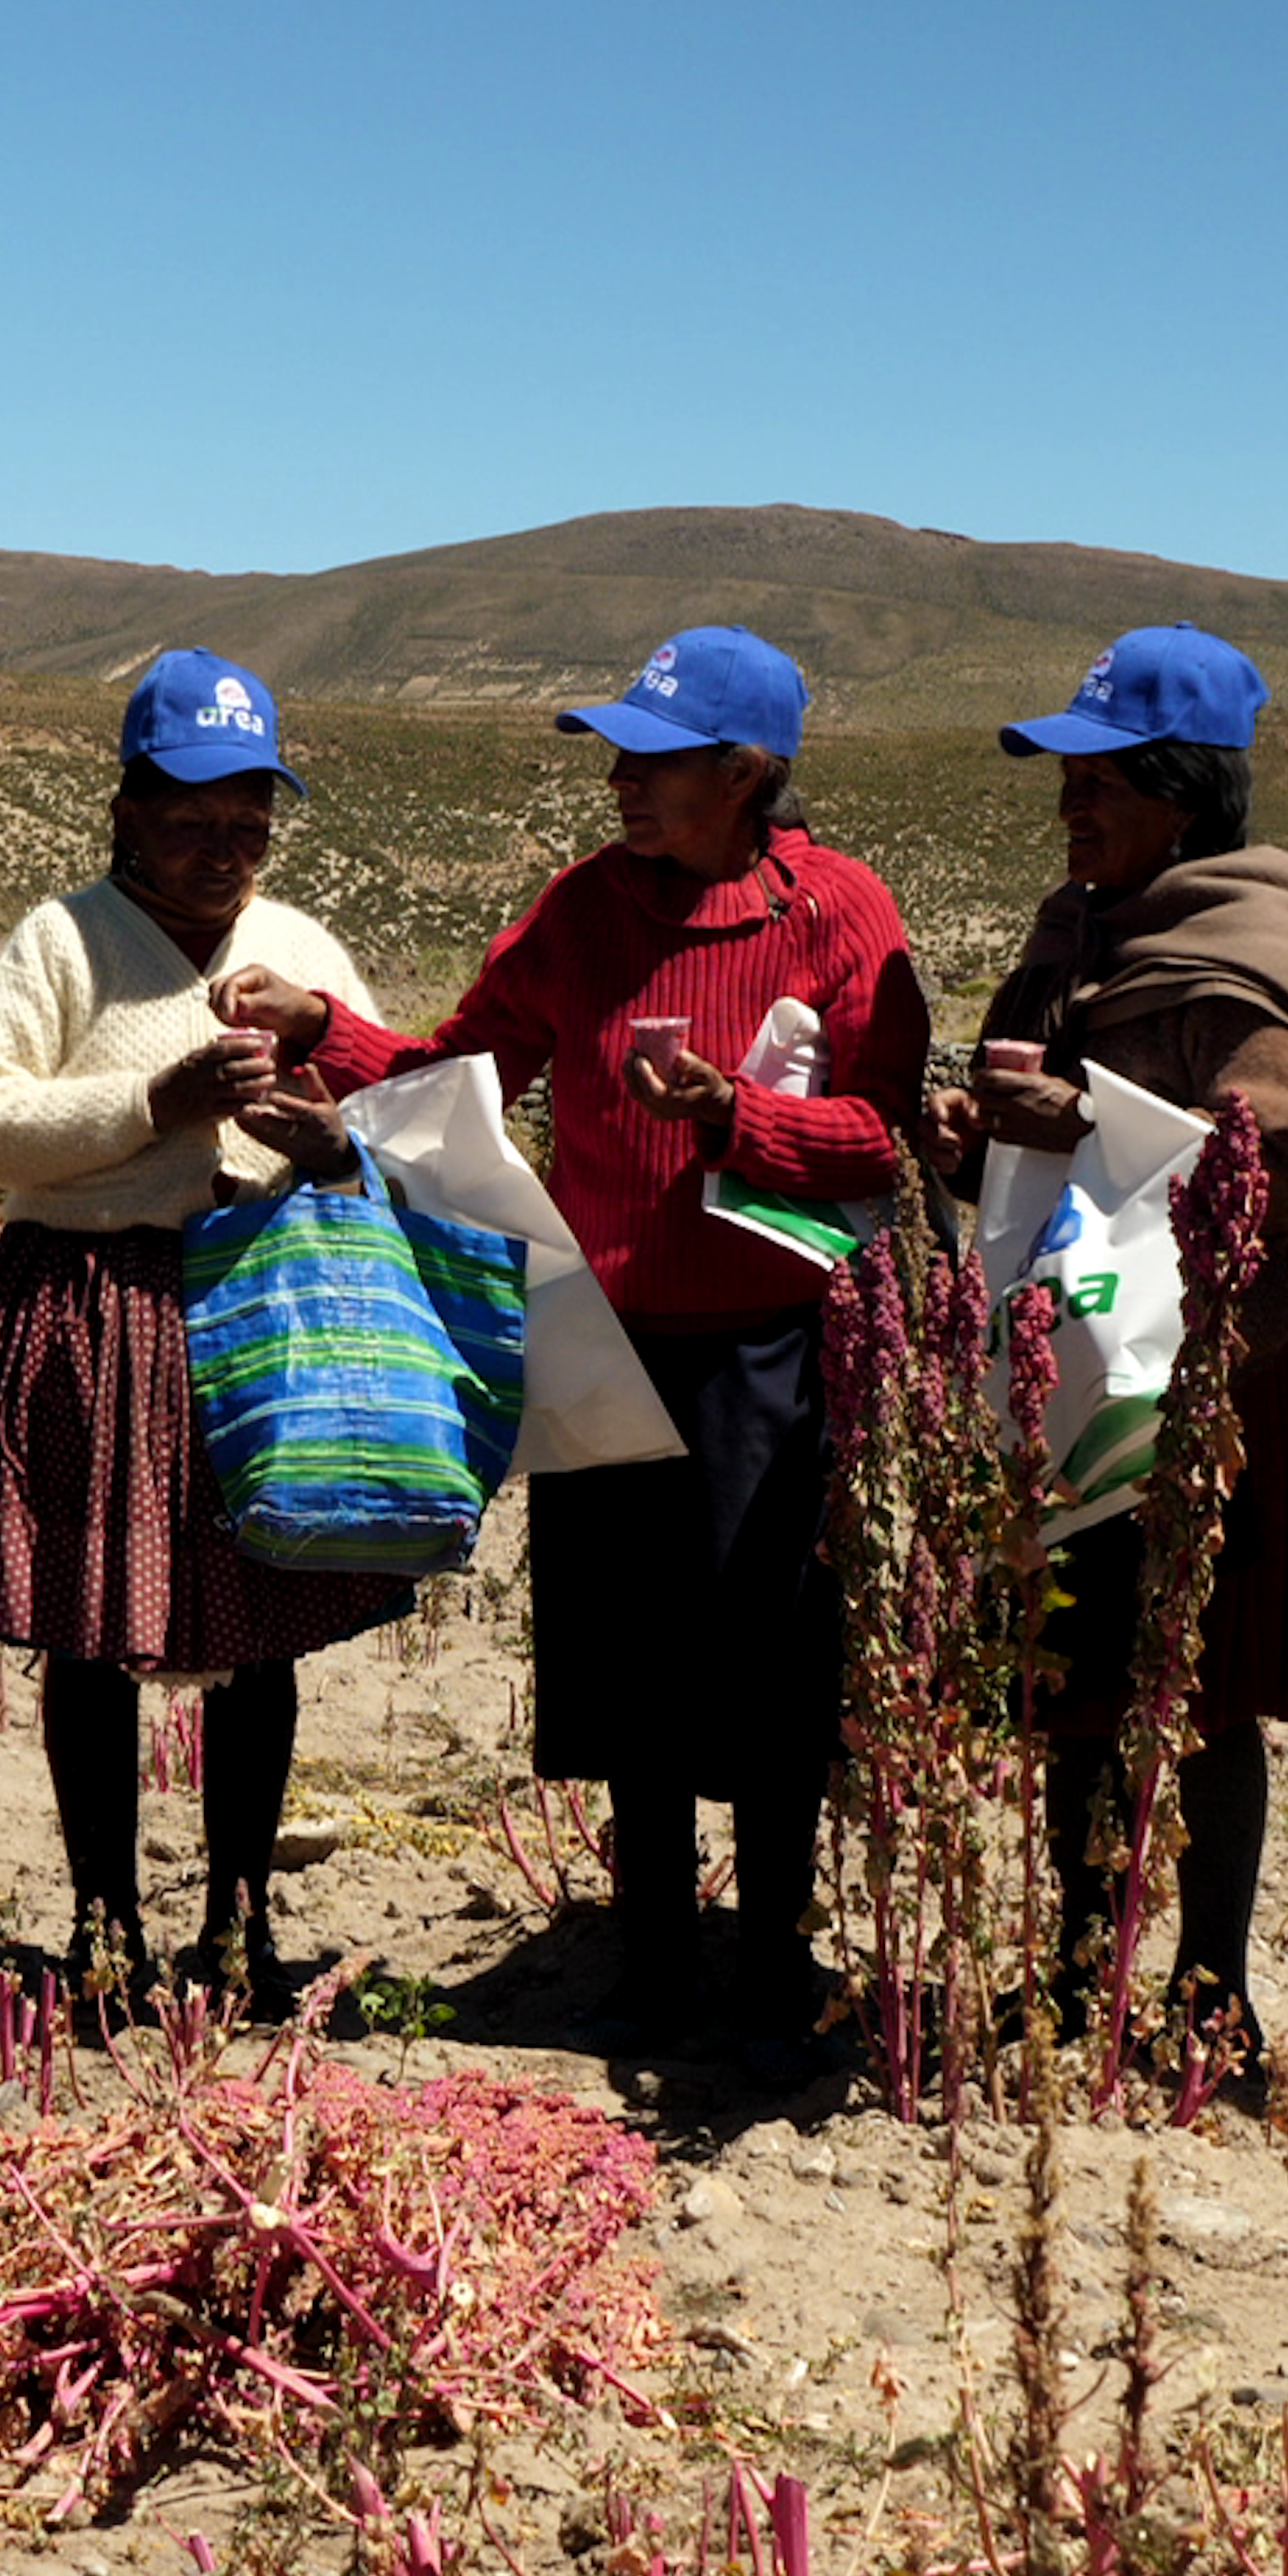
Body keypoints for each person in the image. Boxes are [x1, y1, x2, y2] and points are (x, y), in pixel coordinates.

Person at [215, 629, 927, 2061]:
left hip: (767, 1353)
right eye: (617, 756)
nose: (619, 783)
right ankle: (653, 1956)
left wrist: (735, 1119)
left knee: (768, 1663)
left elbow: (884, 1137)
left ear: (746, 773)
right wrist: (322, 1029)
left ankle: (772, 1961)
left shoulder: (840, 912)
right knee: (627, 1659)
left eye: (652, 760)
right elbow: (458, 1071)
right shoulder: (583, 908)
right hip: (599, 1341)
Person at [0, 650, 402, 2003]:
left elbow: (390, 1122)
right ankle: (104, 1928)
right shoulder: (63, 942)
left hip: (264, 1312)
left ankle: (240, 1926)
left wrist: (329, 1143)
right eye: (189, 821)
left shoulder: (302, 951)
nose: (222, 850)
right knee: (91, 1629)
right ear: (127, 812)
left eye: (249, 823)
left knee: (260, 1627)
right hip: (92, 1307)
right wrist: (152, 1105)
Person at [930, 626, 1288, 2066]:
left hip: (1221, 1368)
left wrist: (1079, 1122)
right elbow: (1044, 1154)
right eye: (1067, 777)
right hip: (1085, 1355)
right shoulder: (1079, 935)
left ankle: (1210, 1989)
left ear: (1185, 796)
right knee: (1079, 1676)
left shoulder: (1248, 945)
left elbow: (1287, 1162)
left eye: (1104, 780)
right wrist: (975, 1144)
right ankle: (1081, 1975)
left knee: (1203, 1689)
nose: (1071, 804)